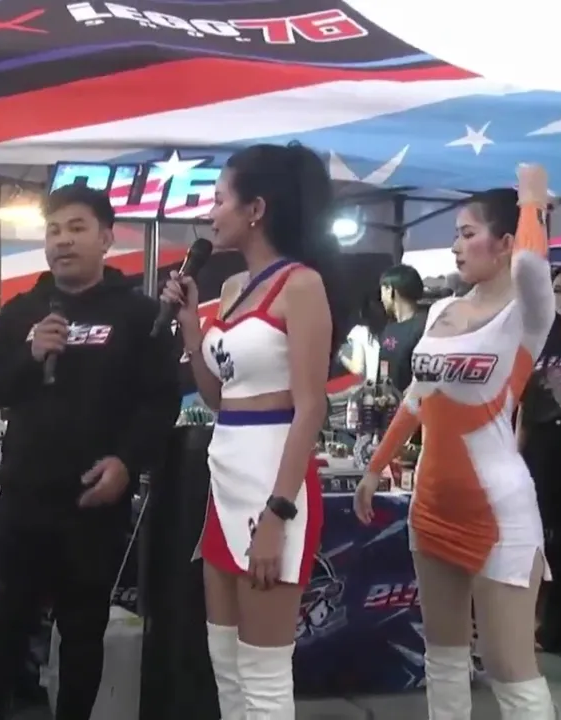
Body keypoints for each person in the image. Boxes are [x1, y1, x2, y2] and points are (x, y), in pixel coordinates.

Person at [0, 185, 180, 720]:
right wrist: (30, 354)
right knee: (4, 628)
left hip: (94, 502)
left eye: (76, 228)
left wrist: (127, 463)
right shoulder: (23, 312)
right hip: (24, 501)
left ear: (106, 238)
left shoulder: (140, 315)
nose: (62, 241)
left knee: (83, 634)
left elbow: (159, 402)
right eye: (54, 230)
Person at [355, 175, 557, 717]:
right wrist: (375, 467)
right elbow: (417, 398)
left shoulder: (528, 313)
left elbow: (532, 266)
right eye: (455, 235)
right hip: (430, 505)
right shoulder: (443, 310)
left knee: (511, 671)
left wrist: (532, 195)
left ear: (506, 242)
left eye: (468, 234)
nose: (455, 246)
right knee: (442, 660)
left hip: (499, 513)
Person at [161, 143, 347, 719]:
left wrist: (277, 513)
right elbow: (219, 397)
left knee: (264, 678)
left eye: (220, 200)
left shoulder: (301, 285)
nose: (211, 213)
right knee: (227, 666)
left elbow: (311, 408)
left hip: (273, 487)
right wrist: (192, 330)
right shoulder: (233, 288)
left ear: (256, 209)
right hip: (224, 480)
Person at [518, 264, 561, 653]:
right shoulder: (542, 342)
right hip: (542, 449)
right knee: (538, 539)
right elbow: (526, 403)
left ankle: (557, 629)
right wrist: (516, 449)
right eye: (558, 290)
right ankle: (537, 625)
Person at [377, 263, 428, 392]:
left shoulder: (424, 328)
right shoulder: (389, 328)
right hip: (388, 400)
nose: (381, 299)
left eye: (382, 291)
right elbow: (384, 366)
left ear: (390, 290)